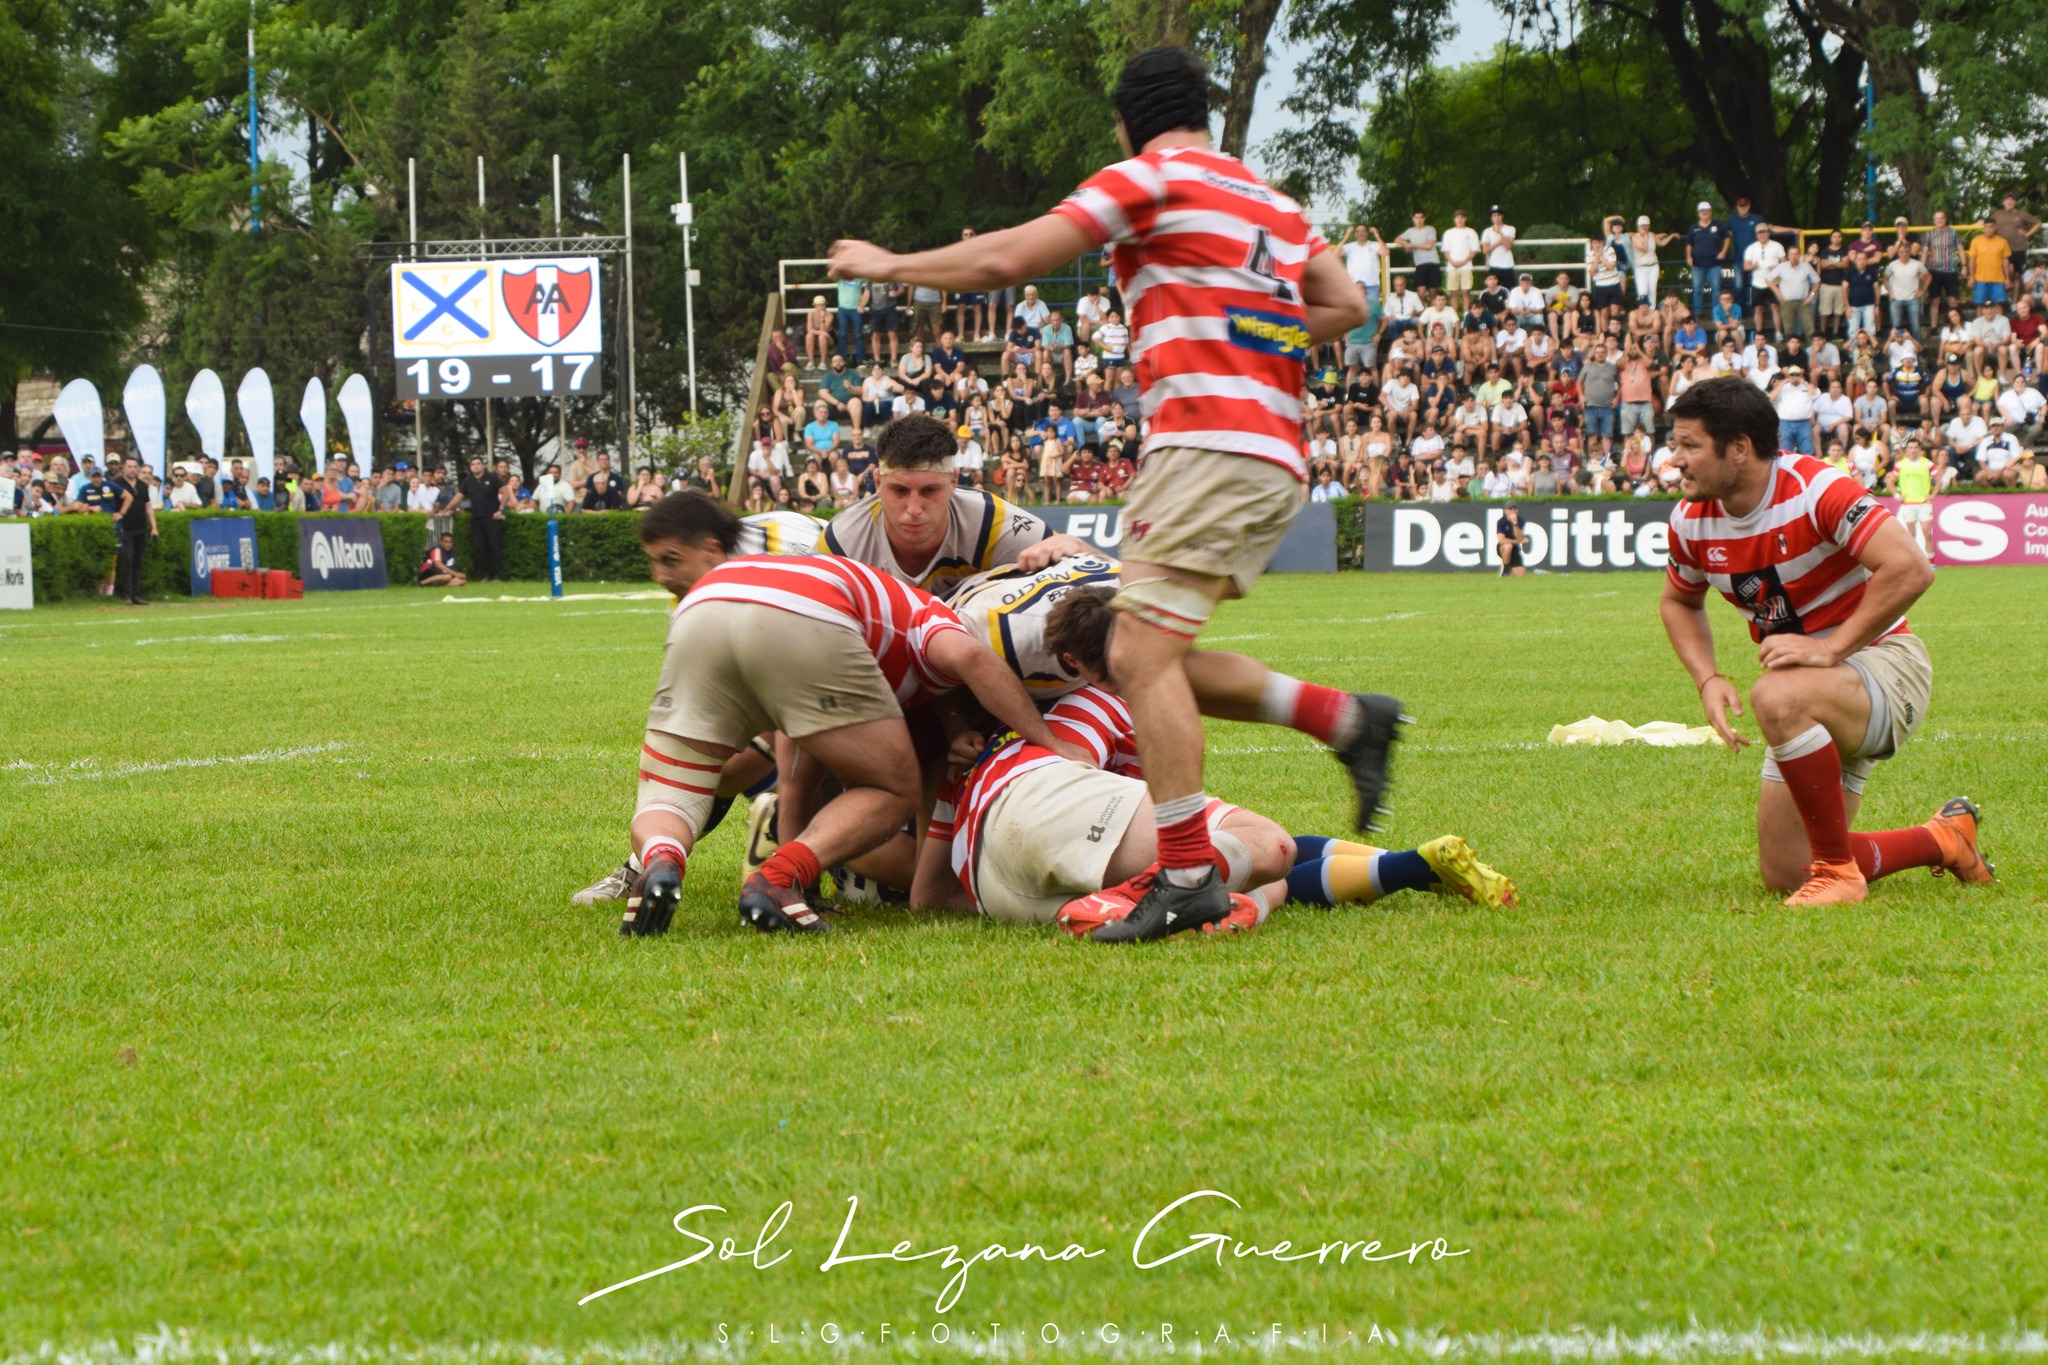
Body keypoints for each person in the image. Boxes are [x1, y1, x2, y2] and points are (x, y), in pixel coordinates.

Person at [827, 46, 1402, 942]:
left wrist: (889, 263)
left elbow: (1007, 259)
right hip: (1273, 452)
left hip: (1205, 446)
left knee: (1132, 655)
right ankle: (1347, 718)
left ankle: (1188, 875)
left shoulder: (1149, 178)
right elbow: (1345, 305)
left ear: (1129, 121)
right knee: (1137, 652)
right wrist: (1245, 329)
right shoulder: (1271, 201)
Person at [613, 491, 1075, 936]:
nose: (658, 573)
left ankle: (662, 856)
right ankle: (777, 877)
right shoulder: (932, 612)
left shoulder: (820, 570)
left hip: (703, 607)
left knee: (674, 788)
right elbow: (970, 657)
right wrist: (1051, 741)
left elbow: (796, 783)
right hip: (807, 613)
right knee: (892, 789)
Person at [1659, 375, 1992, 906]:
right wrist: (1707, 679)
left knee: (1774, 695)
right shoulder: (1690, 521)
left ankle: (1840, 874)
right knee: (1788, 871)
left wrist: (1831, 648)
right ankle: (1946, 840)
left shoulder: (1817, 489)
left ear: (1739, 448)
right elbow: (1679, 601)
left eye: (1689, 445)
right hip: (1813, 693)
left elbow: (1910, 568)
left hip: (1885, 666)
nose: (1674, 459)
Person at [110, 455, 156, 605]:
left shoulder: (142, 485)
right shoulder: (117, 484)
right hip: (125, 528)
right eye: (129, 466)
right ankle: (126, 594)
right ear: (123, 468)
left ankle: (135, 594)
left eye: (134, 467)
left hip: (141, 528)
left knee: (138, 561)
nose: (132, 469)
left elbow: (148, 507)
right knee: (127, 560)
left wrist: (154, 527)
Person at [460, 456, 504, 581]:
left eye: (478, 463)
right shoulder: (468, 480)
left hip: (492, 518)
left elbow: (505, 491)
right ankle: (484, 575)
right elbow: (459, 496)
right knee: (479, 548)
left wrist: (500, 509)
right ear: (470, 467)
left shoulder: (492, 477)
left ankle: (498, 575)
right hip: (476, 519)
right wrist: (447, 509)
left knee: (494, 546)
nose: (476, 466)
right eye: (473, 464)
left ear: (483, 465)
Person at [1686, 201, 1732, 318]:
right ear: (1698, 213)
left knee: (1716, 289)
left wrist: (1723, 252)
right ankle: (1698, 313)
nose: (1704, 213)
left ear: (1710, 212)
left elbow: (1727, 238)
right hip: (1697, 265)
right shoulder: (1694, 228)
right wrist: (1688, 256)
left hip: (1714, 264)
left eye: (1706, 210)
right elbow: (1689, 244)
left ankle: (1716, 313)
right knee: (1697, 289)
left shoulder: (1718, 225)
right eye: (1702, 211)